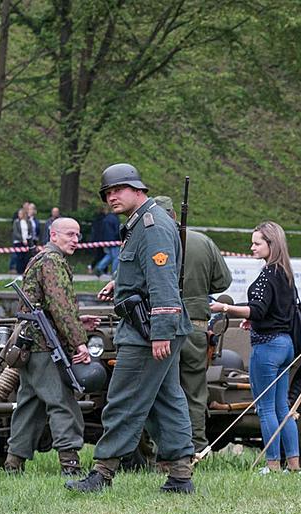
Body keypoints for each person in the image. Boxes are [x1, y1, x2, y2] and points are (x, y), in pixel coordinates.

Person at [66, 163, 194, 494]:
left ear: (139, 190)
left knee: (123, 399)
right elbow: (143, 271)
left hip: (148, 330)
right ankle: (180, 476)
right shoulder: (141, 224)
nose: (111, 197)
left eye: (118, 190)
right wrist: (118, 282)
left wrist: (161, 331)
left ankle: (102, 473)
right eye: (107, 193)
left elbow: (164, 280)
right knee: (167, 400)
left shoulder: (151, 225)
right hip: (150, 327)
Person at [3, 218, 100, 476]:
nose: (75, 240)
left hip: (31, 343)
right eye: (69, 234)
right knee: (62, 402)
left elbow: (50, 307)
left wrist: (78, 322)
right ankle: (70, 464)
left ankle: (13, 464)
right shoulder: (52, 261)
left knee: (30, 403)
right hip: (44, 344)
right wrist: (79, 342)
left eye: (78, 235)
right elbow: (61, 306)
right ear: (53, 235)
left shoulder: (41, 258)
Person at [210, 222, 300, 474]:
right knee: (284, 407)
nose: (252, 247)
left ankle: (272, 466)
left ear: (271, 244)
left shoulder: (267, 275)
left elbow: (258, 308)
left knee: (266, 408)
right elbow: (275, 310)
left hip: (267, 347)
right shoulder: (285, 273)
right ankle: (294, 465)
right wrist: (255, 317)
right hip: (286, 345)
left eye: (257, 243)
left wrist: (224, 308)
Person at [153, 195, 231, 453]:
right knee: (195, 393)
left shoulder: (151, 241)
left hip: (163, 329)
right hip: (197, 326)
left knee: (162, 392)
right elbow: (223, 282)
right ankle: (197, 447)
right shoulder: (203, 242)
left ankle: (165, 449)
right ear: (174, 215)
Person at [94, 203, 121, 276]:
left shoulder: (105, 219)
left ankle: (99, 267)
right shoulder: (115, 219)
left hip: (106, 240)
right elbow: (117, 230)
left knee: (109, 256)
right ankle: (115, 273)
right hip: (114, 240)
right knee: (116, 257)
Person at [11, 206, 33, 274]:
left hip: (27, 241)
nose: (19, 215)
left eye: (20, 214)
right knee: (19, 257)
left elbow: (30, 231)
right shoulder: (16, 222)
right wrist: (22, 239)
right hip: (18, 241)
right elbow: (15, 232)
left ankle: (25, 271)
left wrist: (28, 239)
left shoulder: (28, 221)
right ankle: (19, 271)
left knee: (26, 257)